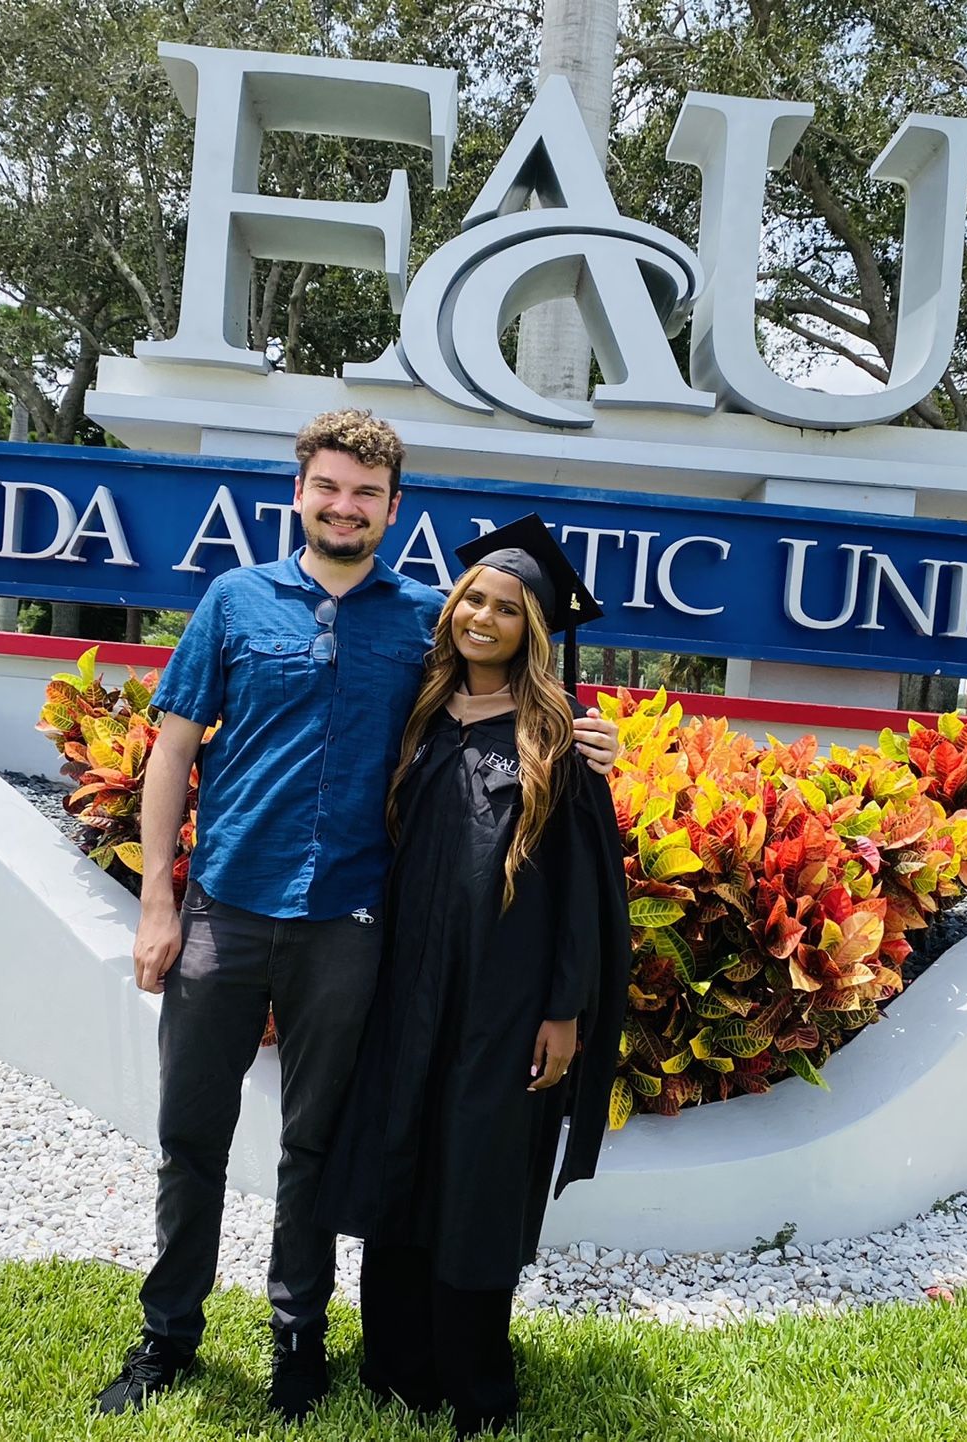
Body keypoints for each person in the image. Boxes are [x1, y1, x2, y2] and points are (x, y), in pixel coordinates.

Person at [93, 412, 619, 1421]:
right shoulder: (233, 600)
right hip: (225, 913)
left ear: (392, 507)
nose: (344, 505)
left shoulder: (421, 615)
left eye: (365, 492)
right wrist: (158, 896)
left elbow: (505, 683)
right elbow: (170, 748)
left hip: (347, 925)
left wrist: (585, 740)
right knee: (189, 1136)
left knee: (315, 1145)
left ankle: (299, 1334)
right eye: (327, 487)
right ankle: (168, 1333)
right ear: (299, 491)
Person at [318, 514, 631, 1438]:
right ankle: (393, 1368)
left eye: (505, 609)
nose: (482, 618)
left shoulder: (557, 740)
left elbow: (583, 891)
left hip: (504, 999)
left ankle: (477, 1381)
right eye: (473, 600)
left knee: (482, 1177)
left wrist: (565, 1010)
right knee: (399, 1159)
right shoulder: (414, 710)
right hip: (405, 985)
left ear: (533, 631)